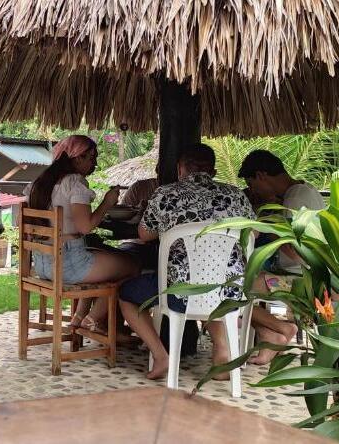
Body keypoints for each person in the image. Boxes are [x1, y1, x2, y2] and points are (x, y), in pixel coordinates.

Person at [118, 144, 255, 380]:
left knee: (127, 294)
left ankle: (161, 356)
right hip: (229, 294)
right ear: (213, 171)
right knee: (212, 281)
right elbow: (254, 233)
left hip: (179, 294)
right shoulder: (235, 195)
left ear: (180, 169)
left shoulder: (164, 194)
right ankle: (222, 351)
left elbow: (144, 234)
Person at [27, 135, 139, 334]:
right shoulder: (74, 182)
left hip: (43, 266)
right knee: (132, 266)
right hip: (69, 266)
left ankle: (78, 319)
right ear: (77, 158)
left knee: (103, 256)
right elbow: (86, 227)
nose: (95, 164)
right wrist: (107, 202)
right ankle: (93, 320)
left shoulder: (39, 184)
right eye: (92, 158)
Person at [237, 150, 323, 364]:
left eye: (252, 184)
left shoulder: (295, 199)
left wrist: (269, 228)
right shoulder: (305, 190)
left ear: (261, 175)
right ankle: (271, 337)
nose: (253, 191)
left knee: (229, 289)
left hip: (298, 282)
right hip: (300, 276)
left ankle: (282, 328)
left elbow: (294, 250)